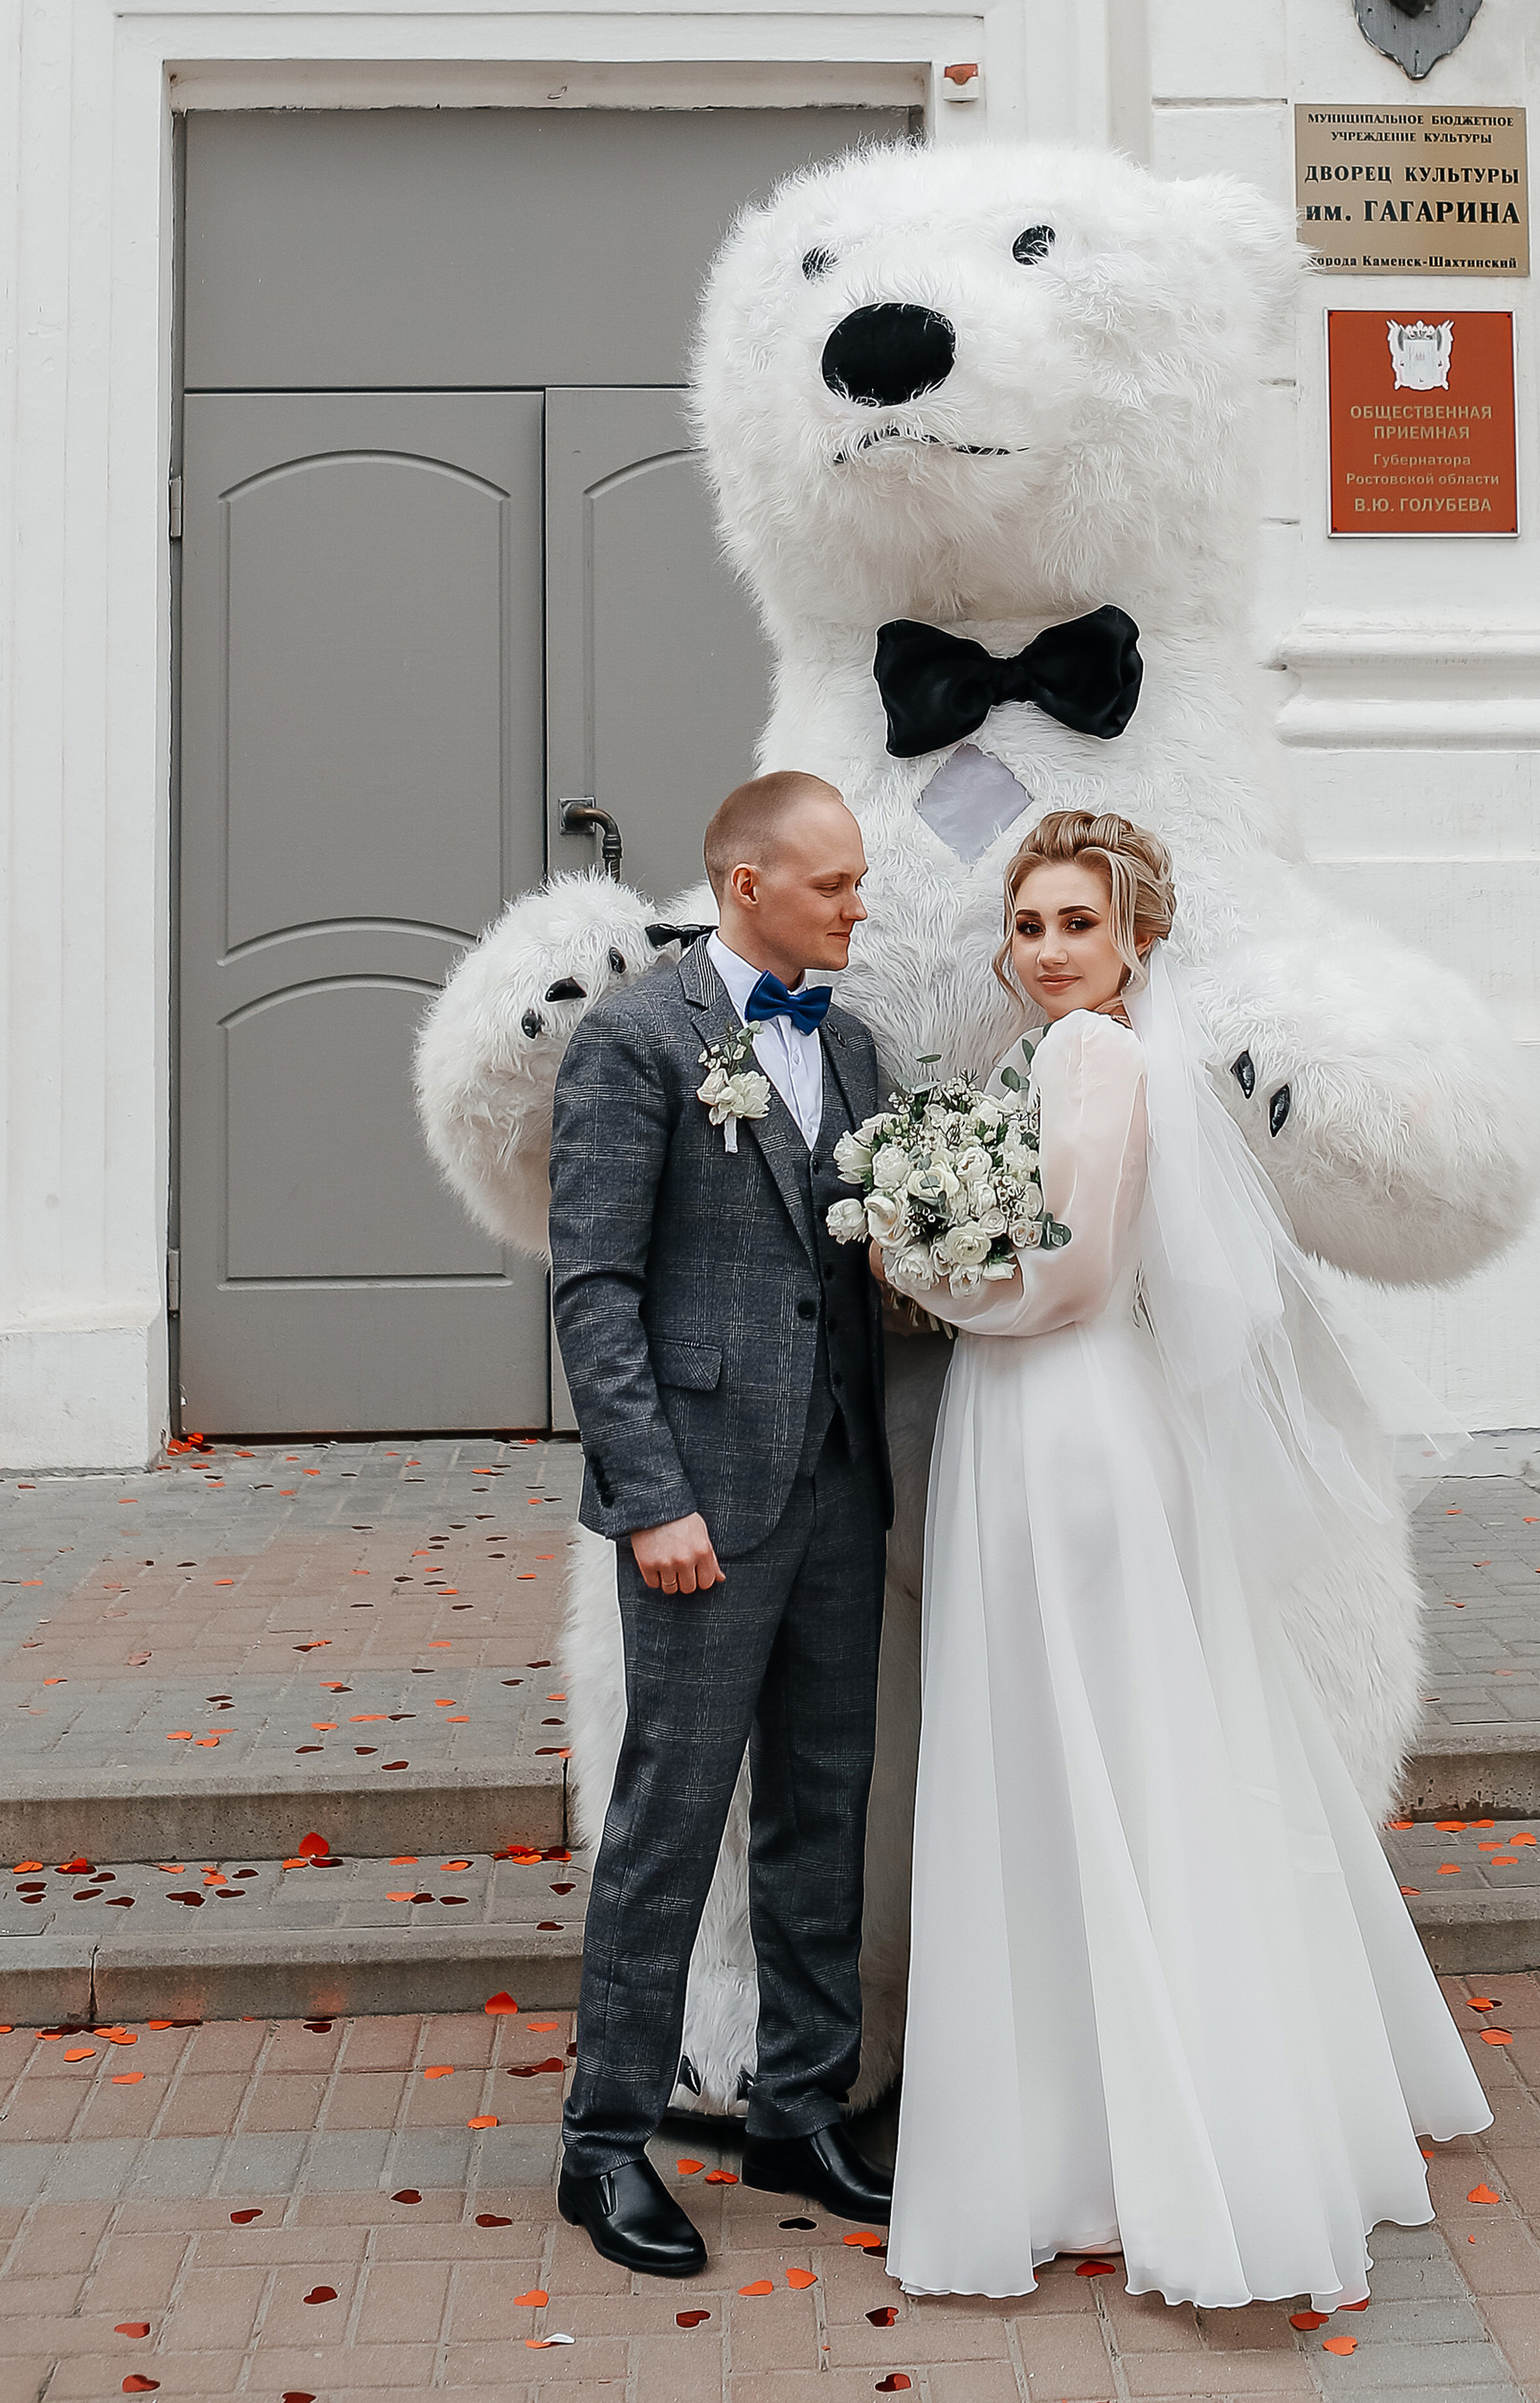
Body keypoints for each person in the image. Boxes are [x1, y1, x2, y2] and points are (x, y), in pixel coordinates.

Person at [883, 808, 1491, 2310]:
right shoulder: (1074, 1052)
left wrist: (926, 1272)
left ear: (1136, 938)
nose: (1045, 953)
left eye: (1075, 926)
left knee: (1073, 1747)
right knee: (1131, 1745)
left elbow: (1074, 1277)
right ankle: (1139, 2110)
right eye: (1027, 927)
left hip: (1060, 1420)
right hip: (1077, 1418)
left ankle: (1096, 2134)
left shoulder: (1095, 1057)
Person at [549, 769, 897, 2279]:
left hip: (835, 1487)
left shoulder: (861, 1046)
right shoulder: (638, 1039)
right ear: (748, 884)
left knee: (827, 1805)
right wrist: (653, 1499)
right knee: (670, 1819)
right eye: (833, 885)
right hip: (700, 1501)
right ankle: (606, 2141)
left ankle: (800, 2108)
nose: (857, 907)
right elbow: (595, 1289)